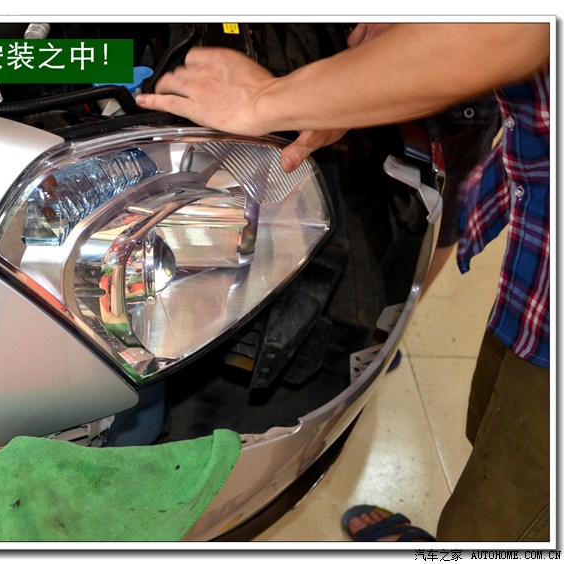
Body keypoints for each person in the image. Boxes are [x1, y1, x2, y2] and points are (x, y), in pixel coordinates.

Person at [136, 22, 551, 542]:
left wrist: (270, 99)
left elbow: (507, 31)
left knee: (507, 522)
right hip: (535, 274)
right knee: (494, 435)